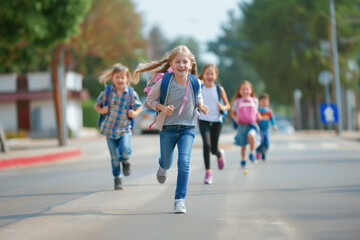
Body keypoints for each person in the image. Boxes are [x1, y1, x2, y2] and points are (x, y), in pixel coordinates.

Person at [131, 45, 209, 214]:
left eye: (185, 61)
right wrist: (162, 107)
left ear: (190, 64)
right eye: (178, 62)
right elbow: (149, 101)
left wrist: (201, 106)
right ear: (172, 64)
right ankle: (163, 166)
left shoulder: (195, 82)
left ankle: (179, 200)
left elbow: (198, 96)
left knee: (184, 163)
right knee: (167, 160)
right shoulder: (164, 81)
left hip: (188, 128)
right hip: (168, 128)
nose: (181, 65)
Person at [94, 63, 142, 190]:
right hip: (109, 129)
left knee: (125, 149)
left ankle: (126, 161)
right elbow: (96, 105)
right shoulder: (107, 93)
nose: (120, 80)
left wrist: (134, 113)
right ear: (112, 78)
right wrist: (102, 110)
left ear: (127, 79)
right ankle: (117, 178)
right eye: (117, 77)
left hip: (124, 128)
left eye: (122, 77)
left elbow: (139, 106)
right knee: (114, 157)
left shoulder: (131, 93)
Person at [198, 64, 230, 184]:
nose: (210, 76)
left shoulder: (219, 89)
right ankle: (208, 172)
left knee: (213, 149)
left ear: (216, 75)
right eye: (207, 74)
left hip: (217, 121)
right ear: (204, 75)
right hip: (203, 120)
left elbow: (228, 105)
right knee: (206, 144)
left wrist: (223, 106)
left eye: (212, 74)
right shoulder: (199, 88)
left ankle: (219, 154)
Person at [230, 80, 261, 168]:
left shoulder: (255, 101)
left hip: (252, 125)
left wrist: (258, 116)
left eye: (247, 89)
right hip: (242, 126)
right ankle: (243, 159)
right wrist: (236, 119)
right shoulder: (237, 101)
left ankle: (251, 153)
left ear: (251, 90)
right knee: (243, 145)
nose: (245, 91)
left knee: (252, 136)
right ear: (239, 91)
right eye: (243, 89)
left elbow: (256, 111)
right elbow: (232, 112)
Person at [256, 93, 277, 161]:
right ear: (259, 102)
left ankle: (264, 152)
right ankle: (258, 152)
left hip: (266, 130)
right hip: (259, 130)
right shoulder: (257, 110)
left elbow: (272, 119)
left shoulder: (269, 111)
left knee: (267, 143)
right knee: (260, 142)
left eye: (266, 101)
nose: (265, 102)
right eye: (263, 101)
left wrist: (274, 125)